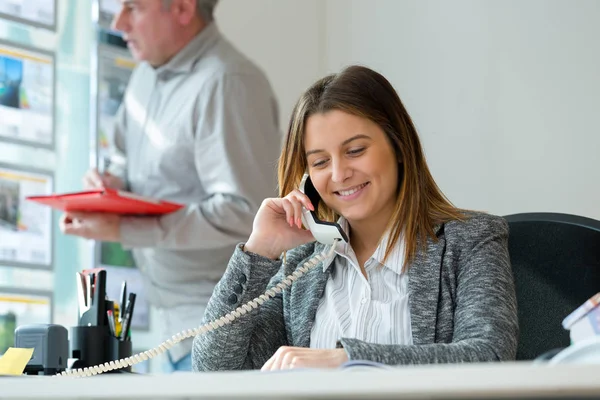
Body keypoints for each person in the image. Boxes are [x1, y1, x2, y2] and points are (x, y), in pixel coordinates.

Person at [191, 65, 518, 371]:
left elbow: (488, 354)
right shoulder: (304, 266)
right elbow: (214, 366)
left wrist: (347, 361)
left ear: (399, 146)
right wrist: (260, 251)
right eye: (319, 162)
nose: (339, 174)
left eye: (356, 151)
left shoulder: (471, 240)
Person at [59, 0, 281, 372]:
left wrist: (125, 228)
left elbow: (247, 214)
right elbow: (120, 157)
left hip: (222, 333)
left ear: (181, 8)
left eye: (133, 7)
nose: (119, 22)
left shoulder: (229, 82)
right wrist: (108, 186)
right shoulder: (145, 75)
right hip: (169, 331)